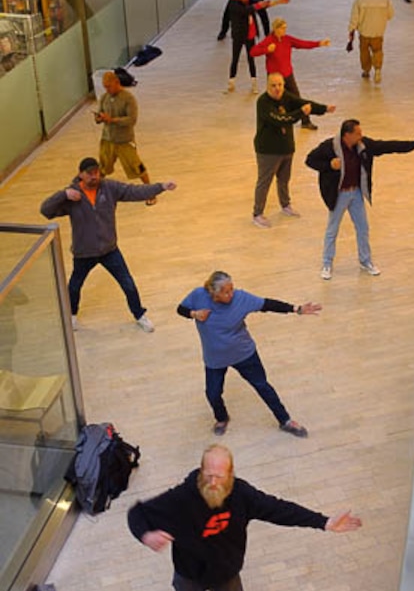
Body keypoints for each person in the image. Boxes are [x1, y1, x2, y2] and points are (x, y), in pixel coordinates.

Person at [127, 443, 362, 591]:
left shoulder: (241, 495)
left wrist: (323, 522)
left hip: (226, 573)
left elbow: (279, 509)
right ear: (200, 472)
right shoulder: (183, 497)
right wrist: (146, 535)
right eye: (208, 475)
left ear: (230, 474)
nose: (213, 482)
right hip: (189, 574)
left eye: (219, 476)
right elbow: (137, 513)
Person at [177, 270, 321, 437]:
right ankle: (222, 418)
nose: (231, 294)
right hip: (215, 358)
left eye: (232, 289)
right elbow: (180, 309)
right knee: (213, 393)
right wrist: (193, 314)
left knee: (263, 386)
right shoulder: (198, 295)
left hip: (244, 354)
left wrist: (297, 309)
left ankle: (285, 420)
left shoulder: (241, 298)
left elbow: (267, 304)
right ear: (212, 292)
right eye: (226, 292)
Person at [40, 157, 176, 332]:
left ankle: (139, 315)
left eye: (96, 172)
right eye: (89, 173)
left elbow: (134, 191)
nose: (94, 176)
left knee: (127, 283)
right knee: (74, 286)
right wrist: (63, 195)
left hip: (110, 250)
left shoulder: (109, 188)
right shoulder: (73, 195)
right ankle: (71, 316)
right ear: (80, 174)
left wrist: (161, 187)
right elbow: (45, 211)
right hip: (84, 252)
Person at [305, 119, 414, 279]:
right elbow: (310, 160)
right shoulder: (329, 147)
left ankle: (365, 261)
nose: (361, 136)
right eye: (358, 133)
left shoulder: (363, 145)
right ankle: (327, 263)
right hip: (339, 194)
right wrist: (329, 165)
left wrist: (413, 144)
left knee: (363, 228)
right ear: (347, 135)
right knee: (332, 230)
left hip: (356, 194)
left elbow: (387, 146)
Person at [252, 72, 335, 227]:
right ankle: (257, 213)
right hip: (268, 150)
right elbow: (281, 120)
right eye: (273, 85)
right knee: (264, 182)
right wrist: (300, 113)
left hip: (286, 148)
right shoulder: (263, 102)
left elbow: (304, 103)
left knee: (284, 179)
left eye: (280, 85)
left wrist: (323, 108)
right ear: (267, 86)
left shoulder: (286, 97)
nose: (277, 89)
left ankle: (285, 205)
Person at [250, 17, 331, 130]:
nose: (284, 30)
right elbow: (253, 52)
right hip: (275, 78)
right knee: (274, 100)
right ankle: (276, 120)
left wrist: (319, 43)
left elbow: (302, 43)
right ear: (276, 29)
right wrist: (267, 50)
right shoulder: (268, 41)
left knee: (297, 98)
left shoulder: (287, 39)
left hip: (288, 75)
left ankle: (305, 121)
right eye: (282, 28)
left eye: (285, 28)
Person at [94, 70, 156, 204]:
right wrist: (99, 118)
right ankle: (94, 192)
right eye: (105, 87)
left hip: (124, 141)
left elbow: (132, 120)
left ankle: (150, 193)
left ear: (117, 83)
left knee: (137, 166)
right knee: (102, 167)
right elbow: (100, 115)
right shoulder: (104, 97)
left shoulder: (128, 98)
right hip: (108, 139)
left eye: (109, 86)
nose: (107, 89)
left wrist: (112, 120)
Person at [221, 0, 289, 95]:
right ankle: (231, 83)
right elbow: (246, 10)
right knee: (235, 59)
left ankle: (254, 84)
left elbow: (263, 4)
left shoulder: (249, 0)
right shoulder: (233, 4)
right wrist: (258, 5)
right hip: (238, 36)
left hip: (250, 35)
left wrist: (278, 2)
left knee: (251, 59)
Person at [347, 0, 394, 85]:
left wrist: (351, 30)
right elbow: (390, 15)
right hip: (378, 31)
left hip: (364, 31)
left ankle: (366, 70)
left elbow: (354, 16)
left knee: (364, 51)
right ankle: (377, 69)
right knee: (377, 50)